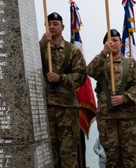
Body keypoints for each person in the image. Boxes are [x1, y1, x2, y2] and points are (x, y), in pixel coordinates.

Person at [87, 29, 136, 168]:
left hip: (128, 117)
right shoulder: (101, 64)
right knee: (111, 158)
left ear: (121, 43)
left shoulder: (131, 64)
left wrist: (125, 98)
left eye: (116, 40)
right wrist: (103, 53)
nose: (112, 43)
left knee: (129, 158)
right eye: (109, 41)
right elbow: (89, 71)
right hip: (107, 118)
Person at [39, 12, 88, 168]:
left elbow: (81, 76)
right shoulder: (40, 49)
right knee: (48, 152)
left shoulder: (72, 51)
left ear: (62, 27)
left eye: (55, 24)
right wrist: (40, 45)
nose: (52, 27)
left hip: (66, 108)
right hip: (45, 106)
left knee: (68, 152)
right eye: (49, 24)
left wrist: (61, 78)